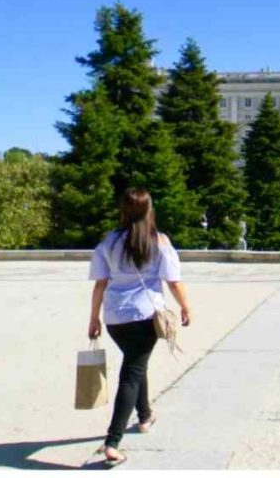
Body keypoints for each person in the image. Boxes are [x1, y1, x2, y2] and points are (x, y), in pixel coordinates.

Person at [87, 188, 192, 466]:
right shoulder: (159, 241)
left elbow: (100, 283)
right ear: (149, 211)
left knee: (136, 363)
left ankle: (144, 416)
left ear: (123, 210)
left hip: (115, 318)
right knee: (132, 372)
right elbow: (173, 281)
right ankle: (113, 442)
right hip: (145, 316)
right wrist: (185, 307)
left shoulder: (108, 242)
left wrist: (94, 318)